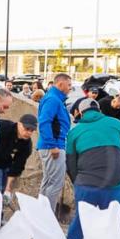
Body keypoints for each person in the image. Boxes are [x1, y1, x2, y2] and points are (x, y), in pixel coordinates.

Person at [65, 98, 120, 239]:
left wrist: (79, 183)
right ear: (99, 110)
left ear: (80, 113)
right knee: (113, 223)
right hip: (116, 184)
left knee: (80, 222)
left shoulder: (74, 132)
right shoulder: (117, 124)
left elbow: (70, 164)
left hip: (87, 184)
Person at [37, 73, 72, 211]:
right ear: (60, 84)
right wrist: (52, 145)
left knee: (48, 182)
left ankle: (41, 215)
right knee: (55, 183)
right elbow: (44, 122)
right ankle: (47, 218)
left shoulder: (54, 98)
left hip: (52, 145)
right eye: (69, 85)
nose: (70, 88)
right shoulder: (53, 99)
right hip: (53, 146)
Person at [0, 114, 37, 194]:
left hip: (5, 164)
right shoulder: (4, 127)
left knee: (2, 191)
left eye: (32, 130)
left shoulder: (27, 145)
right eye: (26, 129)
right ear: (19, 124)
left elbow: (18, 165)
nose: (29, 132)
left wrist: (8, 188)